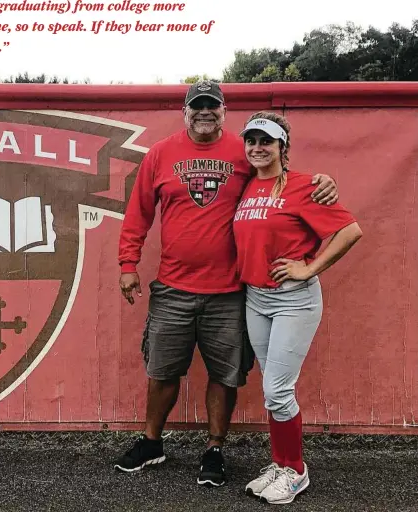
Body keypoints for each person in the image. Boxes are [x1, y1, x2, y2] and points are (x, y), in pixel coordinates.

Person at [113, 80, 339, 487]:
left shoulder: (244, 148)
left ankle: (214, 448)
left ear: (223, 110)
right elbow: (139, 212)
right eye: (197, 106)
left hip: (231, 290)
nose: (204, 112)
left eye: (212, 106)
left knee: (225, 374)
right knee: (162, 370)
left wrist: (322, 181)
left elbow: (280, 177)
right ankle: (151, 443)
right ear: (185, 112)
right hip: (173, 287)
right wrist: (128, 263)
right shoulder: (162, 153)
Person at [233, 111, 362, 504]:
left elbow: (350, 230)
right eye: (251, 141)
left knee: (277, 388)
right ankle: (280, 462)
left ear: (282, 147)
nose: (258, 148)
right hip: (256, 298)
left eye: (266, 141)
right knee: (273, 391)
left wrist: (309, 267)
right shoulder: (246, 186)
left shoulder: (304, 186)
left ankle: (296, 471)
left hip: (293, 299)